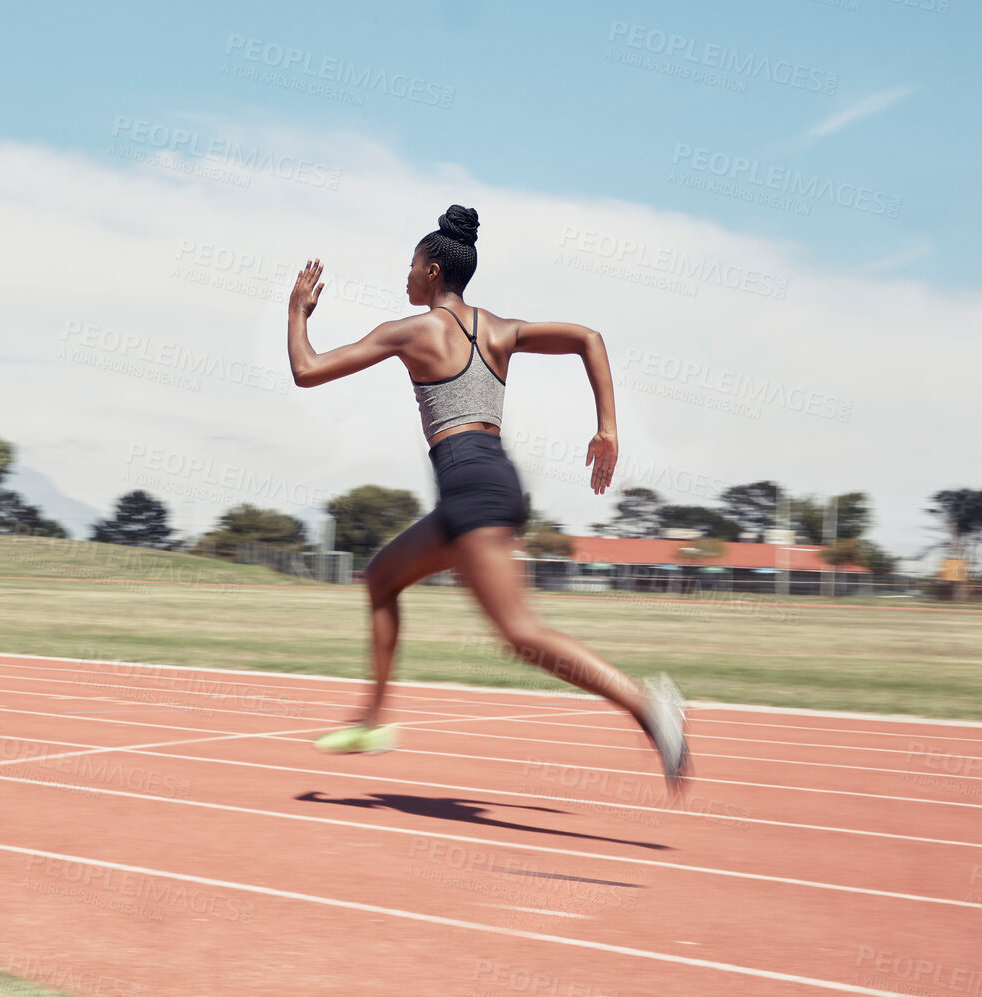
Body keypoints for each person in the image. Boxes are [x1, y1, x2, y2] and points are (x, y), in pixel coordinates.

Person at [285, 204, 692, 792]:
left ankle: (649, 706)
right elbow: (588, 338)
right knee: (382, 578)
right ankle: (373, 719)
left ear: (430, 272)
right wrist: (607, 427)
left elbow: (307, 369)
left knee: (521, 633)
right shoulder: (498, 329)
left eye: (411, 265)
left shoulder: (410, 331)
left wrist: (298, 312)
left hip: (472, 489)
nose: (406, 274)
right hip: (483, 483)